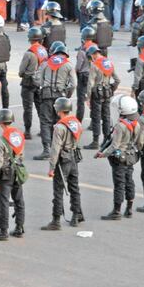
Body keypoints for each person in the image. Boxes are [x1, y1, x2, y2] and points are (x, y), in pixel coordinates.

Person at [96, 96, 144, 220]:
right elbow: (140, 143)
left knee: (119, 184)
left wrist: (103, 154)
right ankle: (129, 209)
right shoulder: (137, 124)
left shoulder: (120, 126)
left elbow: (114, 145)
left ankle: (116, 211)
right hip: (130, 156)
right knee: (129, 182)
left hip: (119, 158)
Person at [42, 98, 84, 230]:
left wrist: (51, 167)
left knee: (58, 190)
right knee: (74, 187)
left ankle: (56, 220)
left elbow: (55, 149)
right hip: (73, 157)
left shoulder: (59, 127)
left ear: (58, 109)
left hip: (63, 159)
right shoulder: (76, 123)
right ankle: (76, 215)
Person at [33, 41, 75, 161]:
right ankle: (60, 147)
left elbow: (37, 80)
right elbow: (73, 84)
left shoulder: (45, 63)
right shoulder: (68, 65)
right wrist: (67, 95)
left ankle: (47, 149)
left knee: (45, 122)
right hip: (60, 96)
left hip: (46, 95)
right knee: (60, 122)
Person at [0, 108, 26, 240]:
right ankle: (19, 227)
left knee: (4, 201)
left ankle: (3, 231)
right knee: (19, 200)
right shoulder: (19, 134)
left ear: (0, 123)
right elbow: (21, 154)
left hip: (6, 173)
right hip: (18, 169)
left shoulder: (1, 139)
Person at [84, 45, 120, 149]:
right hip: (107, 93)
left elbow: (90, 83)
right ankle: (106, 139)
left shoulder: (95, 65)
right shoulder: (108, 63)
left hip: (97, 94)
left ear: (93, 54)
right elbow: (117, 80)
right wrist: (111, 89)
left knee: (96, 118)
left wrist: (88, 98)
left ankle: (95, 141)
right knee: (106, 116)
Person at [18, 27, 47, 139]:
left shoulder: (29, 53)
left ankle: (28, 131)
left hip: (28, 82)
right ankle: (44, 129)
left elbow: (21, 71)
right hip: (40, 82)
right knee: (40, 107)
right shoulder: (43, 50)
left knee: (28, 108)